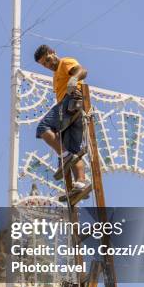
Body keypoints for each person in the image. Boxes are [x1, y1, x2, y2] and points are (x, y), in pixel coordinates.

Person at [34, 44, 89, 195]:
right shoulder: (55, 76)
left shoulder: (65, 62)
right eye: (44, 64)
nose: (47, 65)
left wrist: (74, 79)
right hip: (69, 107)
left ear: (53, 52)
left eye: (47, 59)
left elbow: (82, 71)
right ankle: (81, 182)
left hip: (71, 101)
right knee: (72, 148)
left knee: (43, 128)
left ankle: (65, 155)